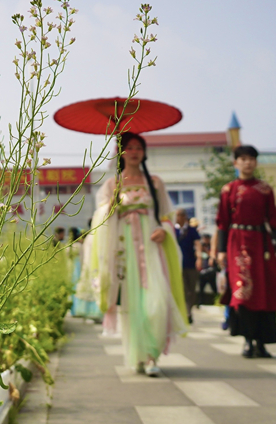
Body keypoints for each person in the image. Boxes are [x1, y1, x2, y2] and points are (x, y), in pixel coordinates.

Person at [87, 131, 188, 376]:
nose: (134, 152)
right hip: (124, 249)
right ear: (120, 153)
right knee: (132, 306)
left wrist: (164, 230)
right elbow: (100, 219)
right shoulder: (112, 184)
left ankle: (153, 355)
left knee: (157, 301)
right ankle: (140, 356)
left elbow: (165, 215)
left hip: (152, 247)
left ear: (144, 152)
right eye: (129, 147)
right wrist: (109, 207)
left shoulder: (155, 183)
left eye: (138, 147)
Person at [216, 145, 276, 358]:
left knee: (264, 290)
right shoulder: (228, 190)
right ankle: (247, 340)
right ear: (235, 163)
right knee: (243, 291)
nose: (248, 162)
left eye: (251, 159)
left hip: (261, 244)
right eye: (243, 159)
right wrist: (220, 251)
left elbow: (274, 219)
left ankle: (262, 342)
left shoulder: (265, 189)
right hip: (237, 243)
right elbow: (222, 223)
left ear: (256, 163)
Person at [175, 209, 202, 324]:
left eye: (178, 215)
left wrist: (199, 258)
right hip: (177, 264)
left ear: (184, 217)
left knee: (191, 289)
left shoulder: (191, 230)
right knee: (184, 289)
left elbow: (197, 244)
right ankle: (186, 313)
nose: (176, 218)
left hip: (190, 263)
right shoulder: (173, 230)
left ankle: (189, 310)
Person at [198, 233, 218, 306]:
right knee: (201, 289)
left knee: (214, 288)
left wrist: (207, 250)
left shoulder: (212, 247)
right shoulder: (201, 246)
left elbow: (212, 255)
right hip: (203, 271)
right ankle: (200, 302)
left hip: (211, 272)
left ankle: (217, 301)